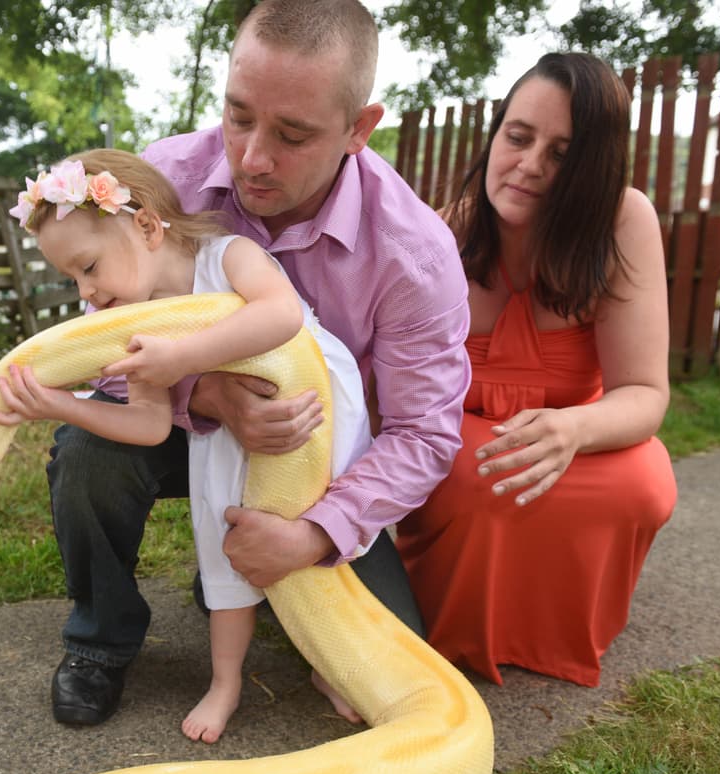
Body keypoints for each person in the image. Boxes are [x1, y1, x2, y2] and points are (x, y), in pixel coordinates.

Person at [45, 0, 472, 727]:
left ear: (358, 130)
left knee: (388, 677)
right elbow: (106, 349)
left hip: (322, 467)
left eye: (293, 134)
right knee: (86, 453)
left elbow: (425, 435)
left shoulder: (417, 254)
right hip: (185, 438)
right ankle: (102, 638)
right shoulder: (164, 180)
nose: (250, 157)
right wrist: (205, 394)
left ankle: (270, 575)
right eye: (238, 116)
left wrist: (315, 532)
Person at [0, 149, 373, 743]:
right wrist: (58, 404)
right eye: (72, 279)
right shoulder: (135, 321)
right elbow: (146, 426)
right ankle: (225, 683)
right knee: (228, 550)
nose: (86, 292)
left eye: (89, 267)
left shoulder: (229, 256)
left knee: (311, 540)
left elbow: (280, 316)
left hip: (312, 416)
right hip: (228, 441)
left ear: (144, 225)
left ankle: (327, 663)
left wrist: (185, 358)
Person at [394, 53, 679, 688]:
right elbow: (398, 393)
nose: (529, 166)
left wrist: (572, 430)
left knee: (644, 484)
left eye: (561, 153)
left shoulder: (623, 222)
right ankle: (455, 627)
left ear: (591, 169)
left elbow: (644, 394)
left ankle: (563, 625)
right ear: (495, 134)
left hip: (580, 430)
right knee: (481, 478)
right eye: (518, 138)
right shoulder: (442, 236)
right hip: (464, 433)